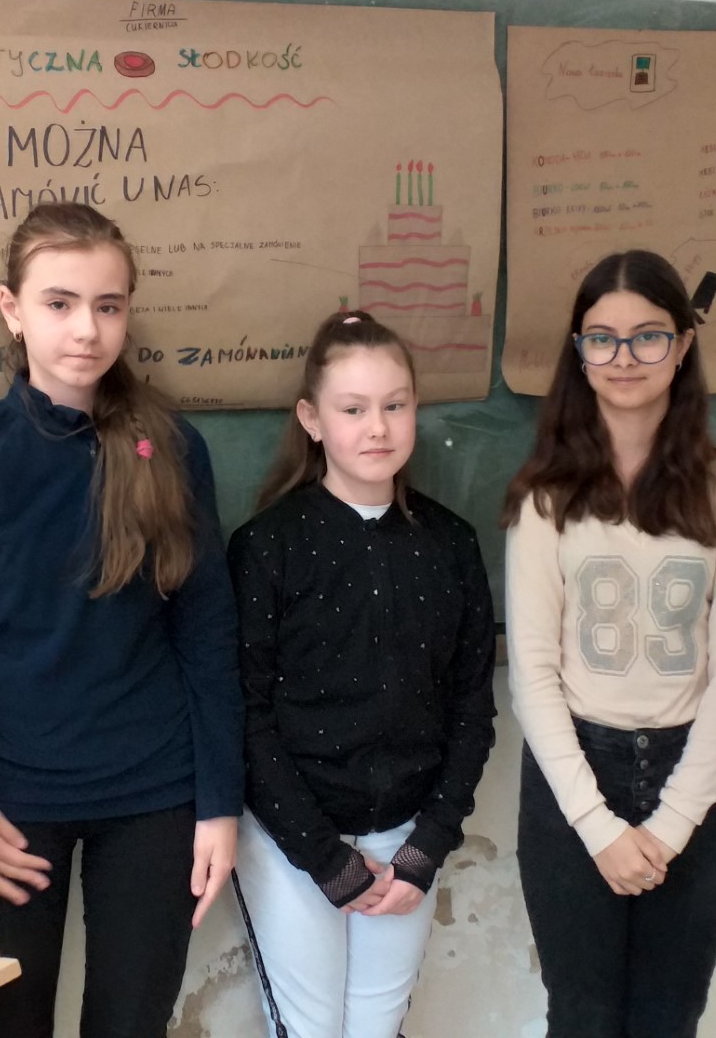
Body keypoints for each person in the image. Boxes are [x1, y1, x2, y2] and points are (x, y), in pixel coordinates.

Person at [0, 202, 242, 1038]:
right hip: (9, 804)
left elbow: (207, 632)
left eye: (107, 305)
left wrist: (220, 806)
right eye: (59, 303)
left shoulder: (173, 448)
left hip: (154, 796)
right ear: (12, 309)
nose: (86, 329)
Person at [504, 250, 716, 1037]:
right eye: (602, 339)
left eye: (648, 336)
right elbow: (533, 677)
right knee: (582, 1019)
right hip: (574, 777)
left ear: (683, 346)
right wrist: (597, 826)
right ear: (579, 353)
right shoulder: (546, 502)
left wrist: (669, 826)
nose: (624, 358)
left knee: (668, 1018)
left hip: (695, 780)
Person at [228, 311, 497, 1038]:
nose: (377, 427)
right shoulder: (267, 547)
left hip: (406, 836)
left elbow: (472, 708)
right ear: (312, 420)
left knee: (377, 1027)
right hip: (293, 839)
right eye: (353, 410)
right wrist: (324, 859)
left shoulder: (450, 544)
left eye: (395, 405)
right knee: (310, 1029)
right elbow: (246, 715)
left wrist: (427, 845)